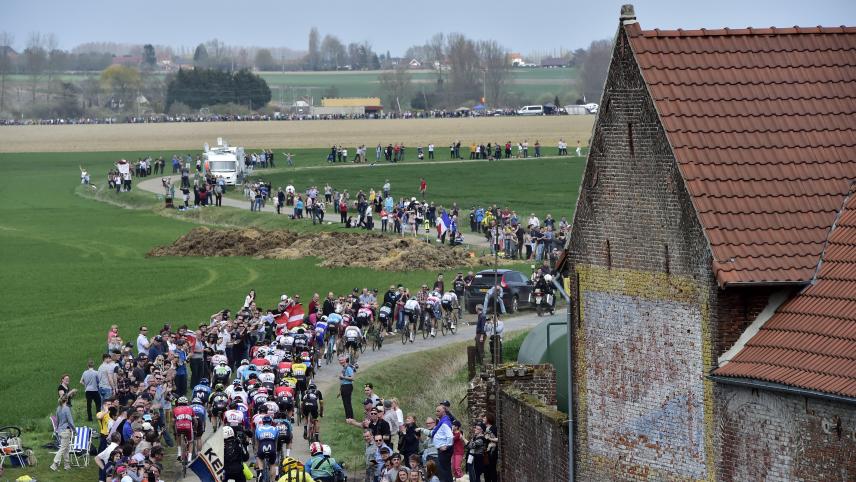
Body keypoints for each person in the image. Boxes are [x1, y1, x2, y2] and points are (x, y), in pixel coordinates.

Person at [51, 394, 75, 471]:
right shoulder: (67, 408)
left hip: (60, 431)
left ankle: (67, 465)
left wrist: (57, 429)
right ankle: (54, 464)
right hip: (66, 431)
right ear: (67, 400)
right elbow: (70, 421)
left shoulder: (58, 408)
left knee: (66, 448)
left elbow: (57, 421)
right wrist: (75, 430)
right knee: (63, 448)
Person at [255, 415, 280, 480]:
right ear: (271, 422)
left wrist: (257, 452)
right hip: (271, 446)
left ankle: (260, 471)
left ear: (263, 422)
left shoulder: (258, 429)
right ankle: (273, 480)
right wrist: (275, 451)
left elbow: (257, 443)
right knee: (272, 464)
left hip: (262, 446)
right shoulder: (275, 428)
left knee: (259, 457)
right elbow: (276, 442)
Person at [339, 355, 356, 420]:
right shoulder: (344, 367)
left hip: (347, 386)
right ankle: (348, 418)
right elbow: (343, 379)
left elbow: (352, 378)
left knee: (347, 402)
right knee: (345, 403)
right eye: (340, 360)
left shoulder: (348, 367)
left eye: (342, 360)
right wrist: (340, 389)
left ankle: (350, 418)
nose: (341, 362)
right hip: (344, 386)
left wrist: (342, 377)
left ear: (345, 360)